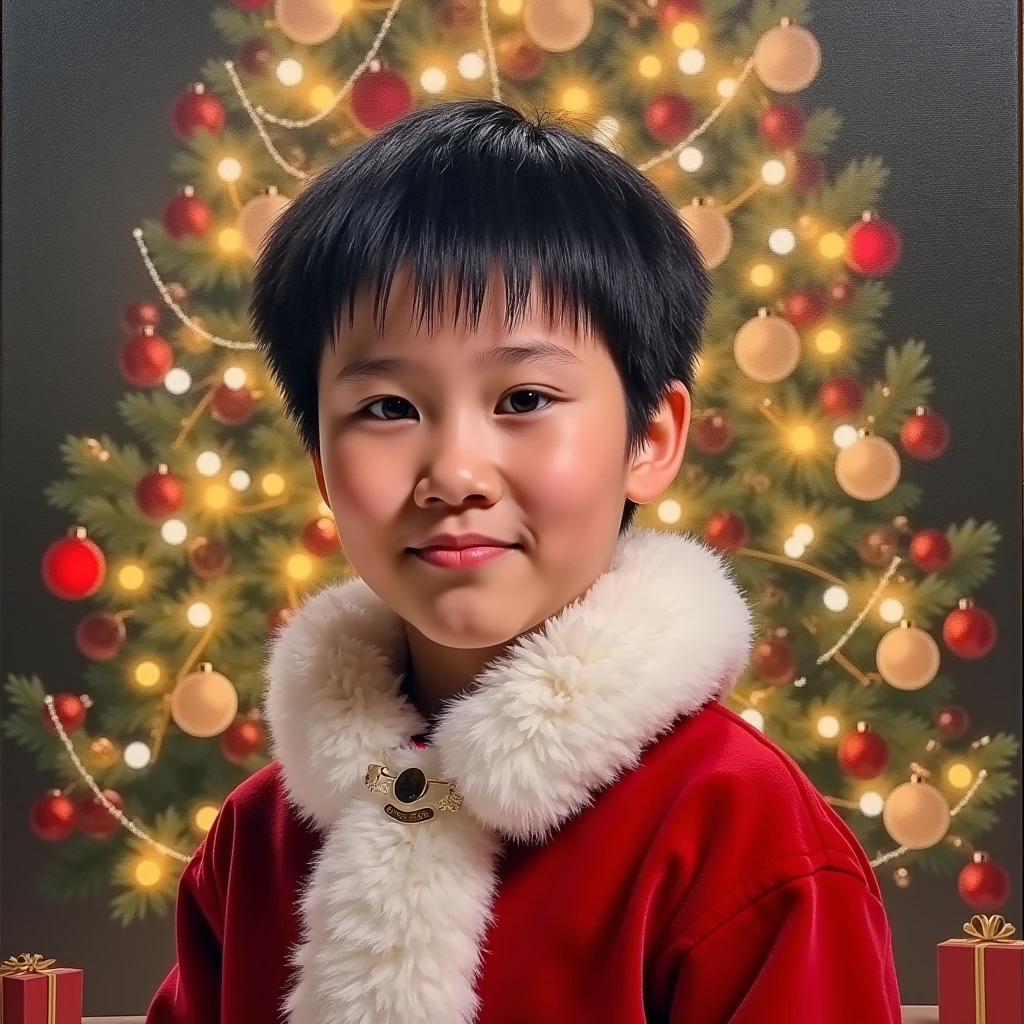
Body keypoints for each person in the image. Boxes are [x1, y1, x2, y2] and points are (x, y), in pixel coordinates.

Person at [147, 98, 902, 1024]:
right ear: (322, 468)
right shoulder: (256, 842)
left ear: (650, 439)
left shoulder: (742, 837)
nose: (455, 473)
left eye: (526, 396)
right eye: (386, 408)